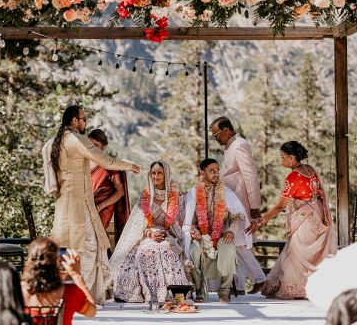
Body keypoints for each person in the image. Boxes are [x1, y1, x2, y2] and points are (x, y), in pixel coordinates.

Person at [42, 105, 141, 302]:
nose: (85, 123)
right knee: (88, 247)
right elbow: (106, 161)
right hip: (79, 204)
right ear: (74, 121)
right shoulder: (76, 139)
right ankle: (81, 294)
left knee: (66, 245)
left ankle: (64, 293)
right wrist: (130, 165)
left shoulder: (54, 142)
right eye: (83, 119)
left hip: (63, 203)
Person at [246, 141, 337, 299]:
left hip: (304, 221)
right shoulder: (310, 170)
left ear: (292, 158)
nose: (280, 160)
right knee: (312, 257)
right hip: (317, 217)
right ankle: (313, 288)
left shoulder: (294, 176)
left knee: (296, 256)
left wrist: (260, 221)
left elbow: (280, 206)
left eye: (283, 157)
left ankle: (296, 290)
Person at [110, 161, 190, 303]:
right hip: (148, 235)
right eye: (153, 173)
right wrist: (149, 233)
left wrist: (167, 233)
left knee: (167, 251)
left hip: (169, 235)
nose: (156, 176)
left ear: (166, 174)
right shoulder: (145, 196)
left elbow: (182, 222)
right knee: (147, 251)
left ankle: (172, 294)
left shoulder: (177, 196)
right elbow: (137, 225)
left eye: (159, 173)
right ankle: (151, 295)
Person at [183, 158, 251, 303]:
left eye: (217, 170)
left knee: (228, 248)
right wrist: (195, 232)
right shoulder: (193, 193)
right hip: (201, 237)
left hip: (221, 235)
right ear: (202, 173)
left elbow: (236, 217)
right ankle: (200, 291)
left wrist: (232, 230)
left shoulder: (226, 193)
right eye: (211, 171)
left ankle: (224, 291)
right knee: (194, 250)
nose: (216, 173)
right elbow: (188, 221)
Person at [210, 116, 265, 294]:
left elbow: (250, 176)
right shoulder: (230, 146)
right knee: (233, 244)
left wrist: (254, 205)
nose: (215, 139)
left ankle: (259, 279)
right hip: (230, 203)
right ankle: (239, 287)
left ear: (226, 130)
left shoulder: (240, 145)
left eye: (216, 134)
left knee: (240, 243)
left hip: (241, 203)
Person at [22, 237, 96, 325]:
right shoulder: (70, 292)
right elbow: (92, 312)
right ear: (57, 262)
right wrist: (76, 274)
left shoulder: (16, 291)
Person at [88, 128, 130, 244]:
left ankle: (105, 259)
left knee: (97, 237)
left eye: (96, 145)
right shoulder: (83, 164)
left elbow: (120, 191)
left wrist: (100, 206)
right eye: (90, 144)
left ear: (103, 147)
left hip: (104, 207)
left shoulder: (109, 166)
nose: (93, 148)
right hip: (86, 207)